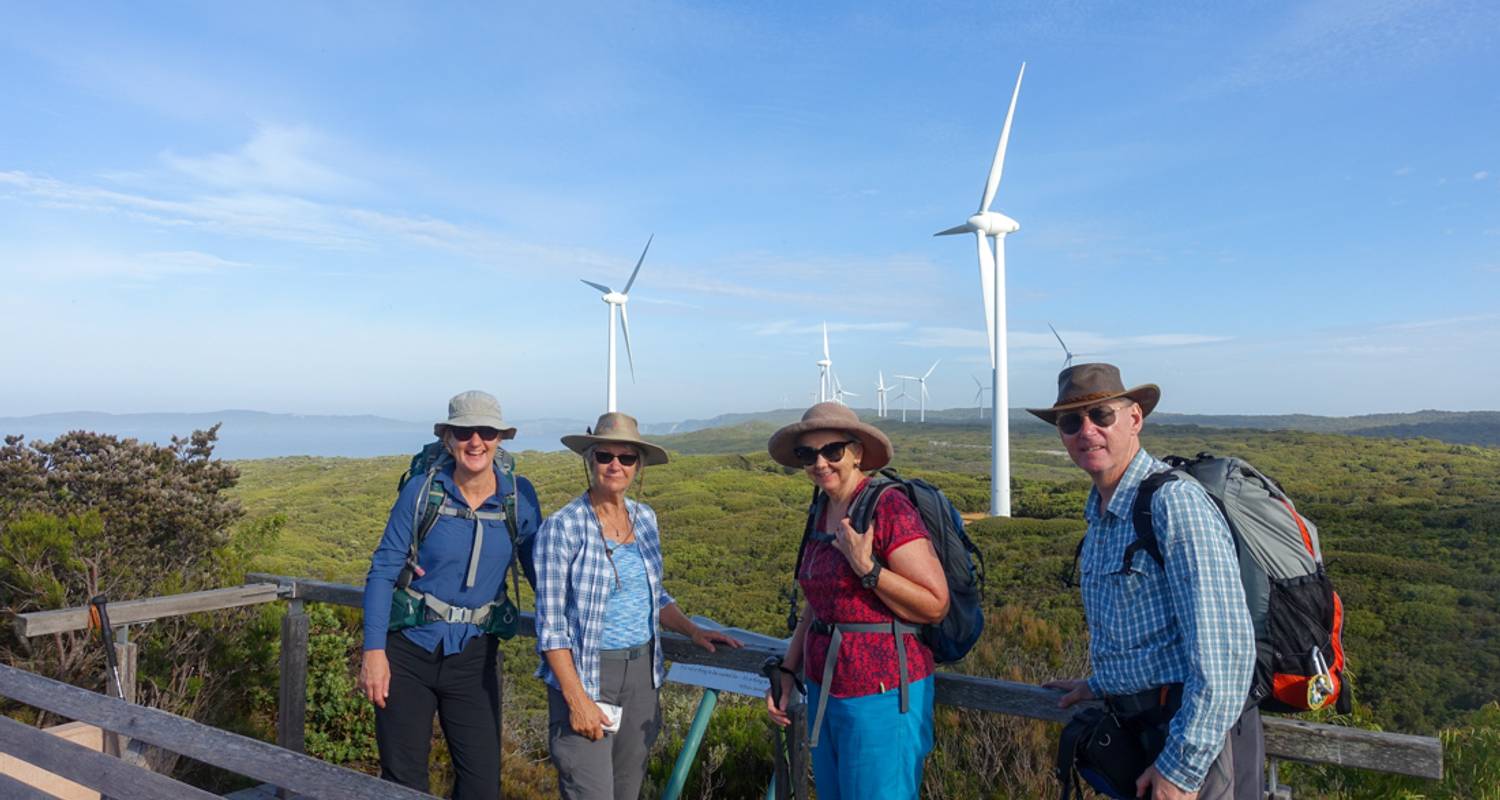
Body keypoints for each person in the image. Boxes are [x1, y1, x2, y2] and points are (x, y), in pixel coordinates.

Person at [1031, 364, 1261, 800]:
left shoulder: (1174, 504)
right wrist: (1099, 683)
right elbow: (1146, 636)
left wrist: (1181, 770)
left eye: (1101, 415)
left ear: (1134, 418)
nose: (1086, 431)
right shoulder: (1101, 511)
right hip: (1140, 735)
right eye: (1069, 422)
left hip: (1190, 746)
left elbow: (1225, 651)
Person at [535, 411, 741, 800]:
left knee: (628, 790)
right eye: (604, 456)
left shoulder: (645, 519)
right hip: (588, 673)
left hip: (643, 672)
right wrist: (576, 699)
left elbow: (654, 595)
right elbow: (551, 625)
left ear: (638, 466)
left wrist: (692, 629)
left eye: (626, 458)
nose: (615, 465)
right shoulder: (562, 527)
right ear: (589, 459)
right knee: (589, 789)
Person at [359, 390, 541, 800]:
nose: (475, 441)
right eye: (464, 431)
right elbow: (383, 570)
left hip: (474, 658)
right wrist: (373, 653)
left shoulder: (519, 498)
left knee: (481, 785)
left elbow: (539, 573)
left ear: (499, 439)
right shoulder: (423, 492)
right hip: (407, 650)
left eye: (486, 431)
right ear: (448, 438)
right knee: (403, 781)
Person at [763, 402, 950, 800]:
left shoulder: (888, 507)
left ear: (857, 453)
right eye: (807, 453)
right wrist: (788, 669)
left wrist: (867, 567)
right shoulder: (821, 509)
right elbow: (817, 602)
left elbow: (935, 604)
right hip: (825, 687)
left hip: (882, 692)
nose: (820, 462)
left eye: (832, 450)